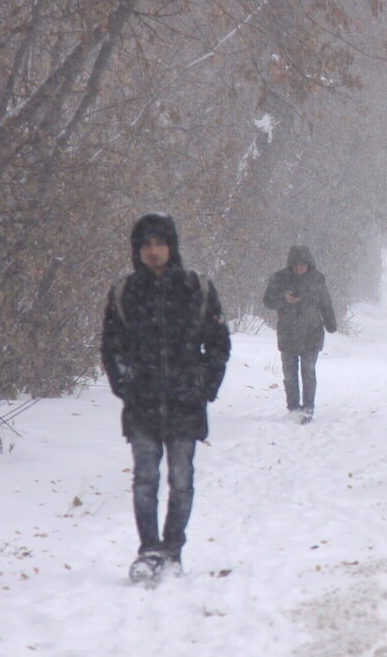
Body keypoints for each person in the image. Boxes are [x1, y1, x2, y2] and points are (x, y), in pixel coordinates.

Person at [101, 213, 230, 583]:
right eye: (146, 245)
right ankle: (149, 550)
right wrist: (125, 385)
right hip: (141, 403)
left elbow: (219, 344)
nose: (153, 251)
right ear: (137, 250)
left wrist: (204, 385)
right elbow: (112, 347)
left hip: (185, 402)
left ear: (171, 247)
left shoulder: (195, 288)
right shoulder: (125, 292)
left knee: (181, 478)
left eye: (159, 243)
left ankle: (172, 549)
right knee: (144, 479)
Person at [263, 246, 336, 424]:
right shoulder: (279, 278)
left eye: (302, 265)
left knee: (308, 372)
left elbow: (325, 303)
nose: (299, 269)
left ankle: (308, 408)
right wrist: (283, 299)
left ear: (309, 264)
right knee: (290, 374)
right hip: (288, 333)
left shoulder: (317, 279)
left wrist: (330, 323)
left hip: (312, 333)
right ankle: (293, 408)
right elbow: (267, 301)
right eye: (295, 265)